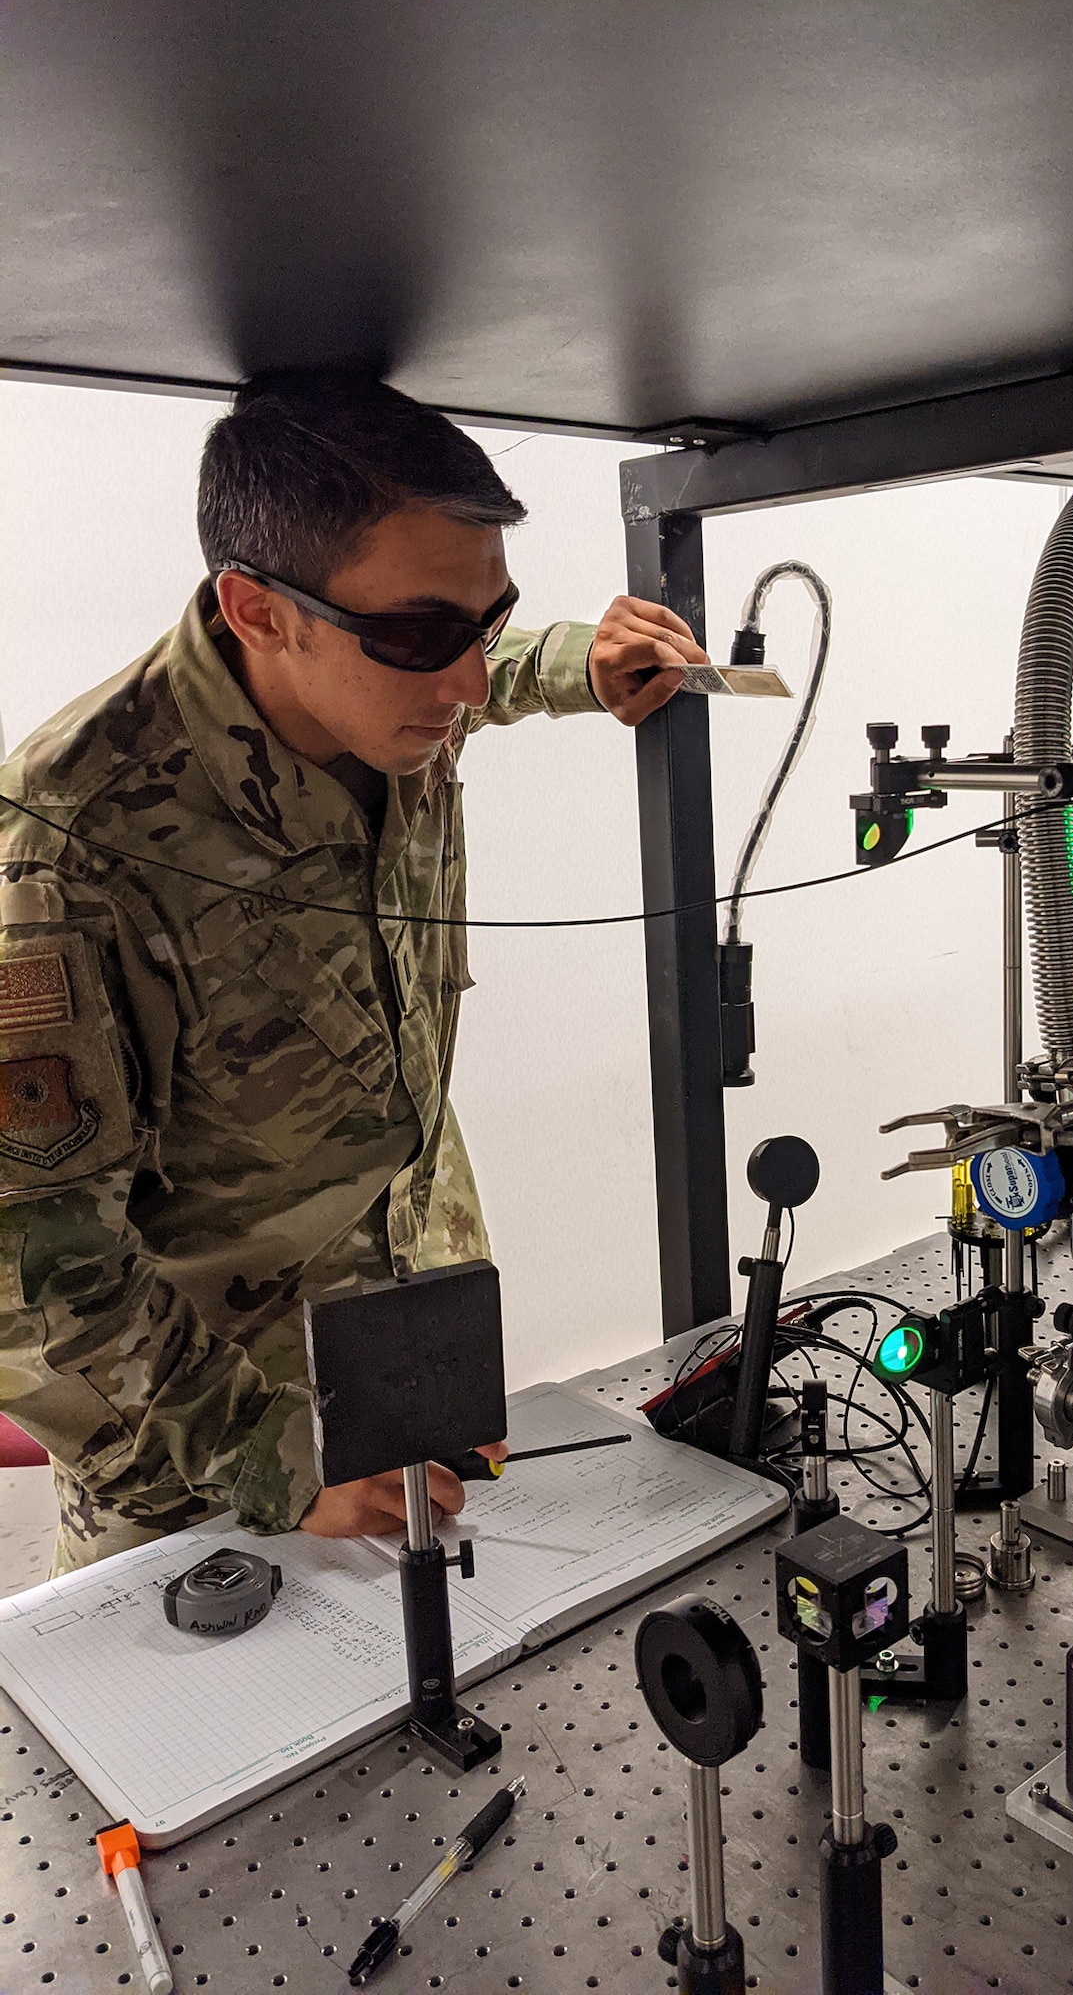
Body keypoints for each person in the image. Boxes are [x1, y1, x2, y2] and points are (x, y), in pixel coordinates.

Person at [0, 368, 700, 1572]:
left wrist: (578, 660)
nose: (468, 680)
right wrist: (267, 1449)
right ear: (257, 610)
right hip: (199, 1457)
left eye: (486, 624)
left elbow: (467, 659)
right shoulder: (71, 845)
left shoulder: (389, 692)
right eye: (429, 637)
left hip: (407, 1333)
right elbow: (29, 1267)